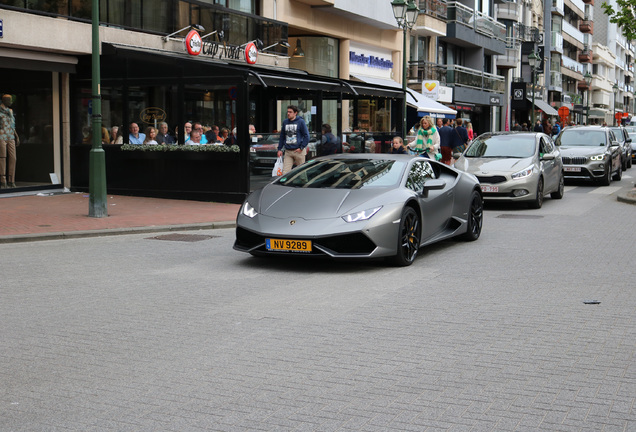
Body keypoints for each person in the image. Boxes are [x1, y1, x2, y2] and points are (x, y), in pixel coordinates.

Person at [278, 105, 310, 174]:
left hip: (299, 151)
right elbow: (282, 136)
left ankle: (303, 184)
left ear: (295, 113)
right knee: (285, 173)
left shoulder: (301, 121)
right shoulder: (285, 122)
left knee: (302, 173)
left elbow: (307, 136)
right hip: (288, 151)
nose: (288, 113)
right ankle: (284, 185)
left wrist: (301, 147)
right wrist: (279, 149)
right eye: (287, 112)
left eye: (290, 112)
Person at [0, 94, 18, 188]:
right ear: (4, 100)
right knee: (2, 158)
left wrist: (16, 135)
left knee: (13, 158)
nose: (11, 102)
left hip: (10, 135)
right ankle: (3, 181)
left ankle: (11, 180)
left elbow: (12, 124)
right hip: (2, 135)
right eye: (9, 100)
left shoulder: (10, 111)